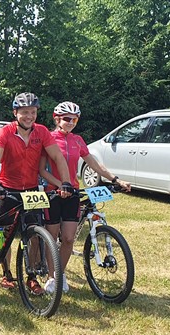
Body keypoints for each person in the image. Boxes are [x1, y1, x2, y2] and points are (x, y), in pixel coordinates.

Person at [38, 101, 131, 293]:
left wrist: (115, 179)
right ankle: (51, 277)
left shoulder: (78, 140)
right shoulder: (49, 138)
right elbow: (41, 170)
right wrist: (59, 185)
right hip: (53, 193)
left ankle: (60, 274)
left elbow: (94, 164)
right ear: (57, 119)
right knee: (51, 238)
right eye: (67, 119)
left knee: (68, 238)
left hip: (72, 192)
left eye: (75, 120)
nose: (71, 122)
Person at [0, 92, 73, 295]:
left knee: (35, 234)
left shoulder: (41, 132)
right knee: (5, 232)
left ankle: (31, 276)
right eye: (25, 112)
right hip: (7, 188)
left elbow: (58, 157)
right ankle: (6, 273)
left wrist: (66, 182)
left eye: (33, 112)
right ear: (15, 113)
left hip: (32, 189)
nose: (29, 116)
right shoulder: (4, 133)